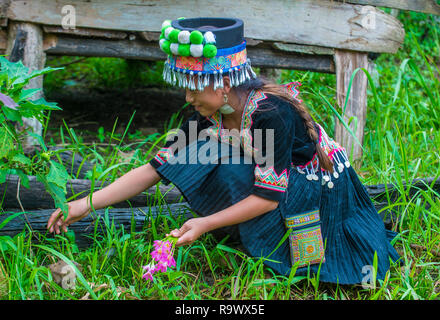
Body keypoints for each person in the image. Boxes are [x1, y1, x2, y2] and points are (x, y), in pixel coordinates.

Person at [47, 17, 400, 285]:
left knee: (235, 175)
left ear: (224, 83)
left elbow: (267, 197)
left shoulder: (269, 113)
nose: (188, 97)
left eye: (193, 88)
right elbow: (155, 168)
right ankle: (242, 231)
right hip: (272, 174)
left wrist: (204, 223)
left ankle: (274, 243)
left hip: (315, 185)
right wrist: (85, 204)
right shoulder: (211, 111)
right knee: (201, 156)